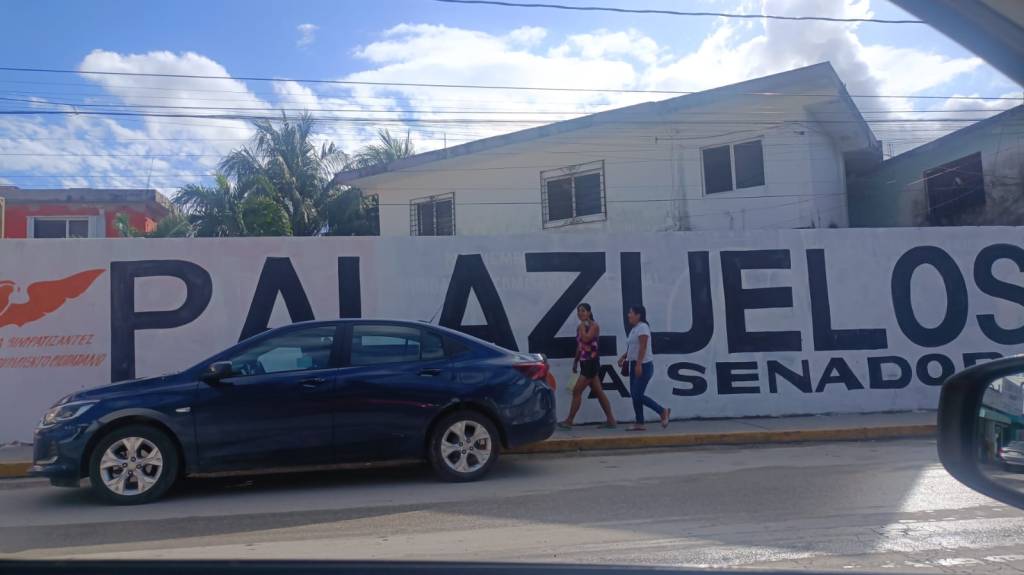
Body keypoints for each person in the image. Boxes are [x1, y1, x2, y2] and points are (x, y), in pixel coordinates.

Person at [560, 303, 617, 429]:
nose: (580, 313)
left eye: (583, 311)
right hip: (585, 362)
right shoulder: (580, 327)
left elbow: (586, 339)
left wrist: (581, 327)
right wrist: (575, 361)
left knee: (577, 391)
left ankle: (569, 420)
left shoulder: (593, 326)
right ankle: (611, 419)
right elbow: (580, 346)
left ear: (589, 312)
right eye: (579, 311)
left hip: (591, 362)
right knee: (599, 392)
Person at [618, 304, 670, 431]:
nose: (628, 315)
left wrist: (639, 364)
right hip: (633, 364)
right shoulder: (635, 328)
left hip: (643, 365)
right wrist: (624, 356)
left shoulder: (643, 328)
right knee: (635, 394)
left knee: (637, 395)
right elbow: (633, 347)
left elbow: (643, 346)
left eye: (631, 312)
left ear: (638, 315)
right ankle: (640, 422)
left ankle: (662, 411)